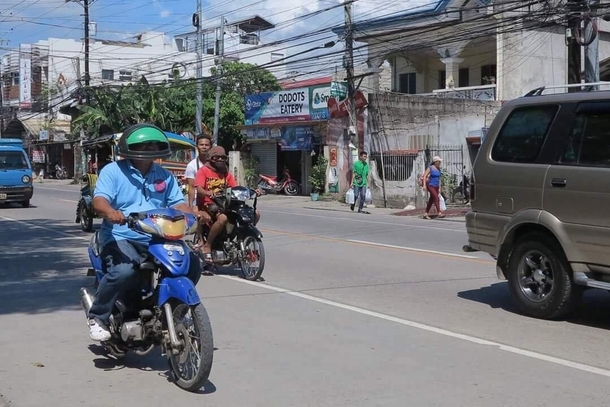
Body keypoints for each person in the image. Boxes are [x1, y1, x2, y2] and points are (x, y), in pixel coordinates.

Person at [88, 123, 202, 342]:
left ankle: (170, 311)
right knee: (123, 272)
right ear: (129, 147)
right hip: (122, 236)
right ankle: (98, 316)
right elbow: (99, 201)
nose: (150, 148)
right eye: (144, 144)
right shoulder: (113, 171)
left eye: (153, 144)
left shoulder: (164, 175)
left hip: (158, 236)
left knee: (192, 265)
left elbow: (178, 204)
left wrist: (192, 215)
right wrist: (111, 212)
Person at [195, 146, 261, 262]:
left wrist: (253, 191)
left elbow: (235, 188)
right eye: (217, 157)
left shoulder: (227, 173)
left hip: (226, 202)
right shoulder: (203, 171)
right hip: (209, 203)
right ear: (211, 158)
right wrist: (208, 193)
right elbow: (199, 190)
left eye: (223, 157)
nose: (220, 159)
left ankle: (245, 238)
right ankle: (208, 245)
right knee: (223, 218)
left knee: (255, 213)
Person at [184, 133, 212, 210]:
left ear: (210, 147)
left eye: (206, 145)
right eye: (201, 145)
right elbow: (192, 187)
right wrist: (190, 206)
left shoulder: (215, 164)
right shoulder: (191, 165)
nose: (204, 147)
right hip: (198, 200)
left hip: (214, 198)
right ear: (197, 146)